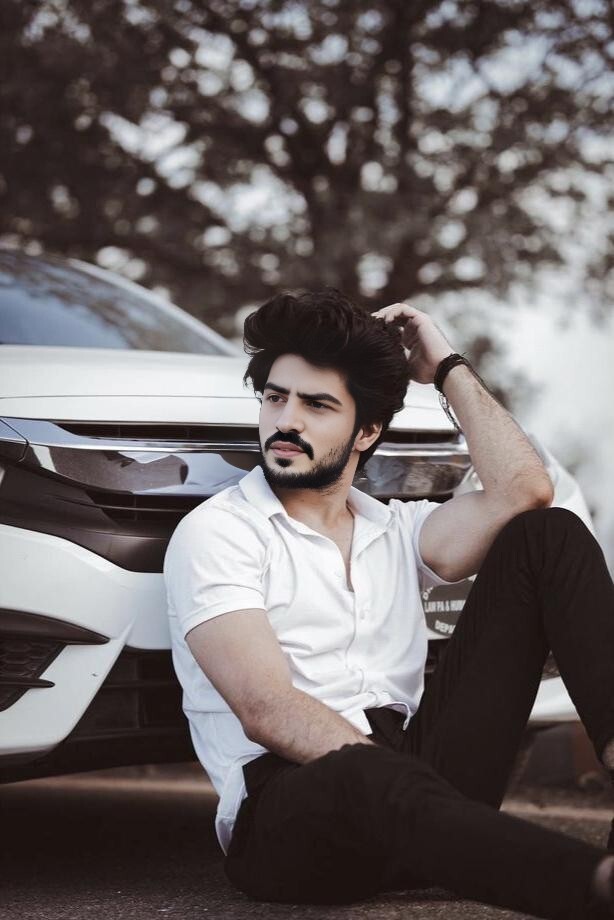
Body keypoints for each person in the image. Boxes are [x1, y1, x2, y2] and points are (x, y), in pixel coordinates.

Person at [164, 289, 614, 919]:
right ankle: (593, 887)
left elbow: (526, 491)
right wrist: (411, 794)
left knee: (550, 534)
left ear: (367, 431)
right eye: (275, 397)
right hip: (295, 810)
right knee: (360, 772)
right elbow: (267, 710)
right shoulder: (219, 531)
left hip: (419, 794)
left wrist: (447, 368)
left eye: (317, 404)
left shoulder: (397, 530)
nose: (286, 421)